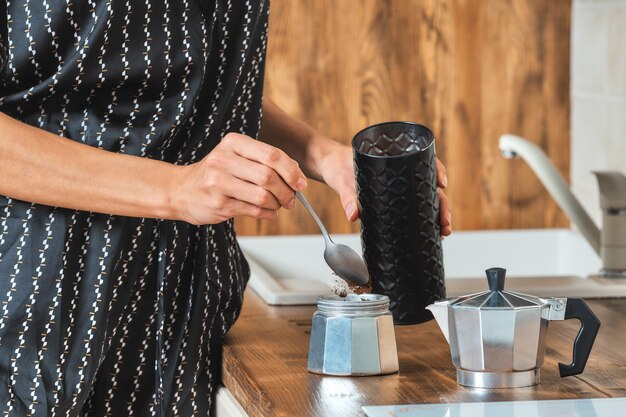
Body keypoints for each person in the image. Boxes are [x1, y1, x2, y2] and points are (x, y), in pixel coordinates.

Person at [0, 1, 451, 416]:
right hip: (42, 298)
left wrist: (322, 154)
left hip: (190, 300)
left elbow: (209, 83)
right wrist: (177, 188)